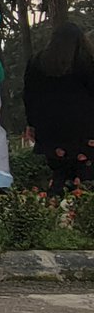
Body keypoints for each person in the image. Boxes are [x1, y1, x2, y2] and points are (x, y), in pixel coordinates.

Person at [23, 22, 94, 196]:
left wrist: (32, 124)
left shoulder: (37, 63)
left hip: (50, 130)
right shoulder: (87, 62)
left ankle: (55, 203)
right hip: (85, 129)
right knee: (85, 171)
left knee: (60, 170)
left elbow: (29, 96)